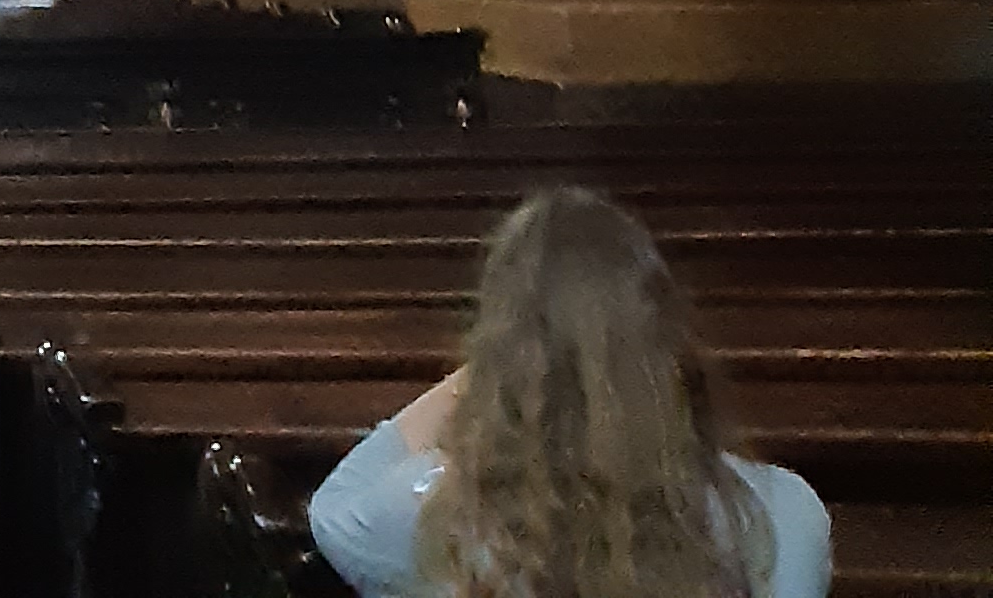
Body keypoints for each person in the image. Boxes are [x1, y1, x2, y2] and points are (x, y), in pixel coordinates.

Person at [310, 187, 832, 598]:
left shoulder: (436, 514)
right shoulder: (782, 513)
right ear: (667, 342)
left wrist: (503, 361)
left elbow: (333, 509)